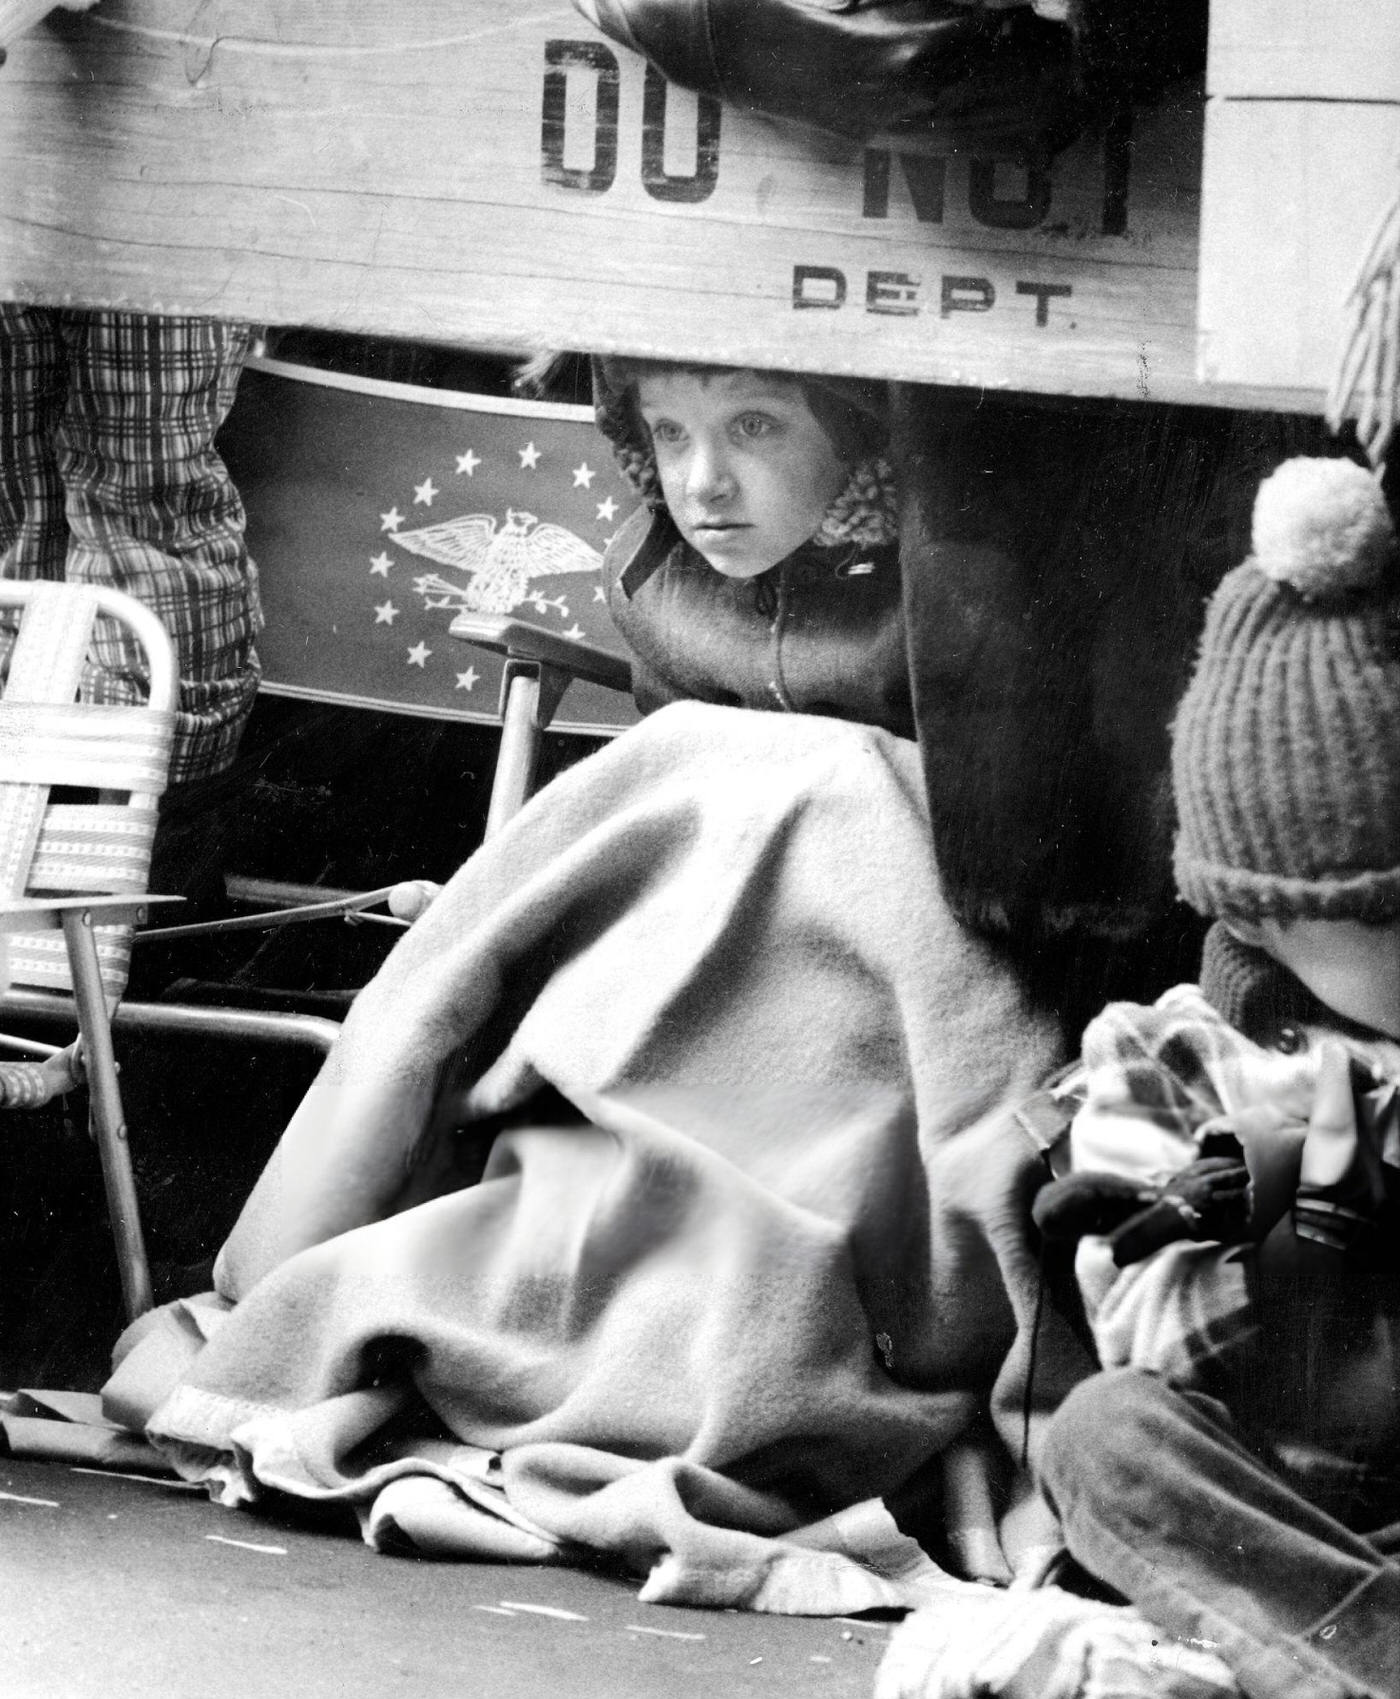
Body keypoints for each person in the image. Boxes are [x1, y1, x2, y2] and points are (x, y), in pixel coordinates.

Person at [938, 455, 1399, 1699]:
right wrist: (1298, 1191)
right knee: (1100, 1437)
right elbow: (1155, 1340)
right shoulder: (1170, 1054)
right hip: (1259, 1500)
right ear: (1272, 916)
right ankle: (1352, 1653)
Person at [591, 355, 911, 736]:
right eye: (669, 431)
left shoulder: (938, 579)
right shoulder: (649, 580)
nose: (702, 486)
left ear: (856, 433)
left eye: (752, 425)